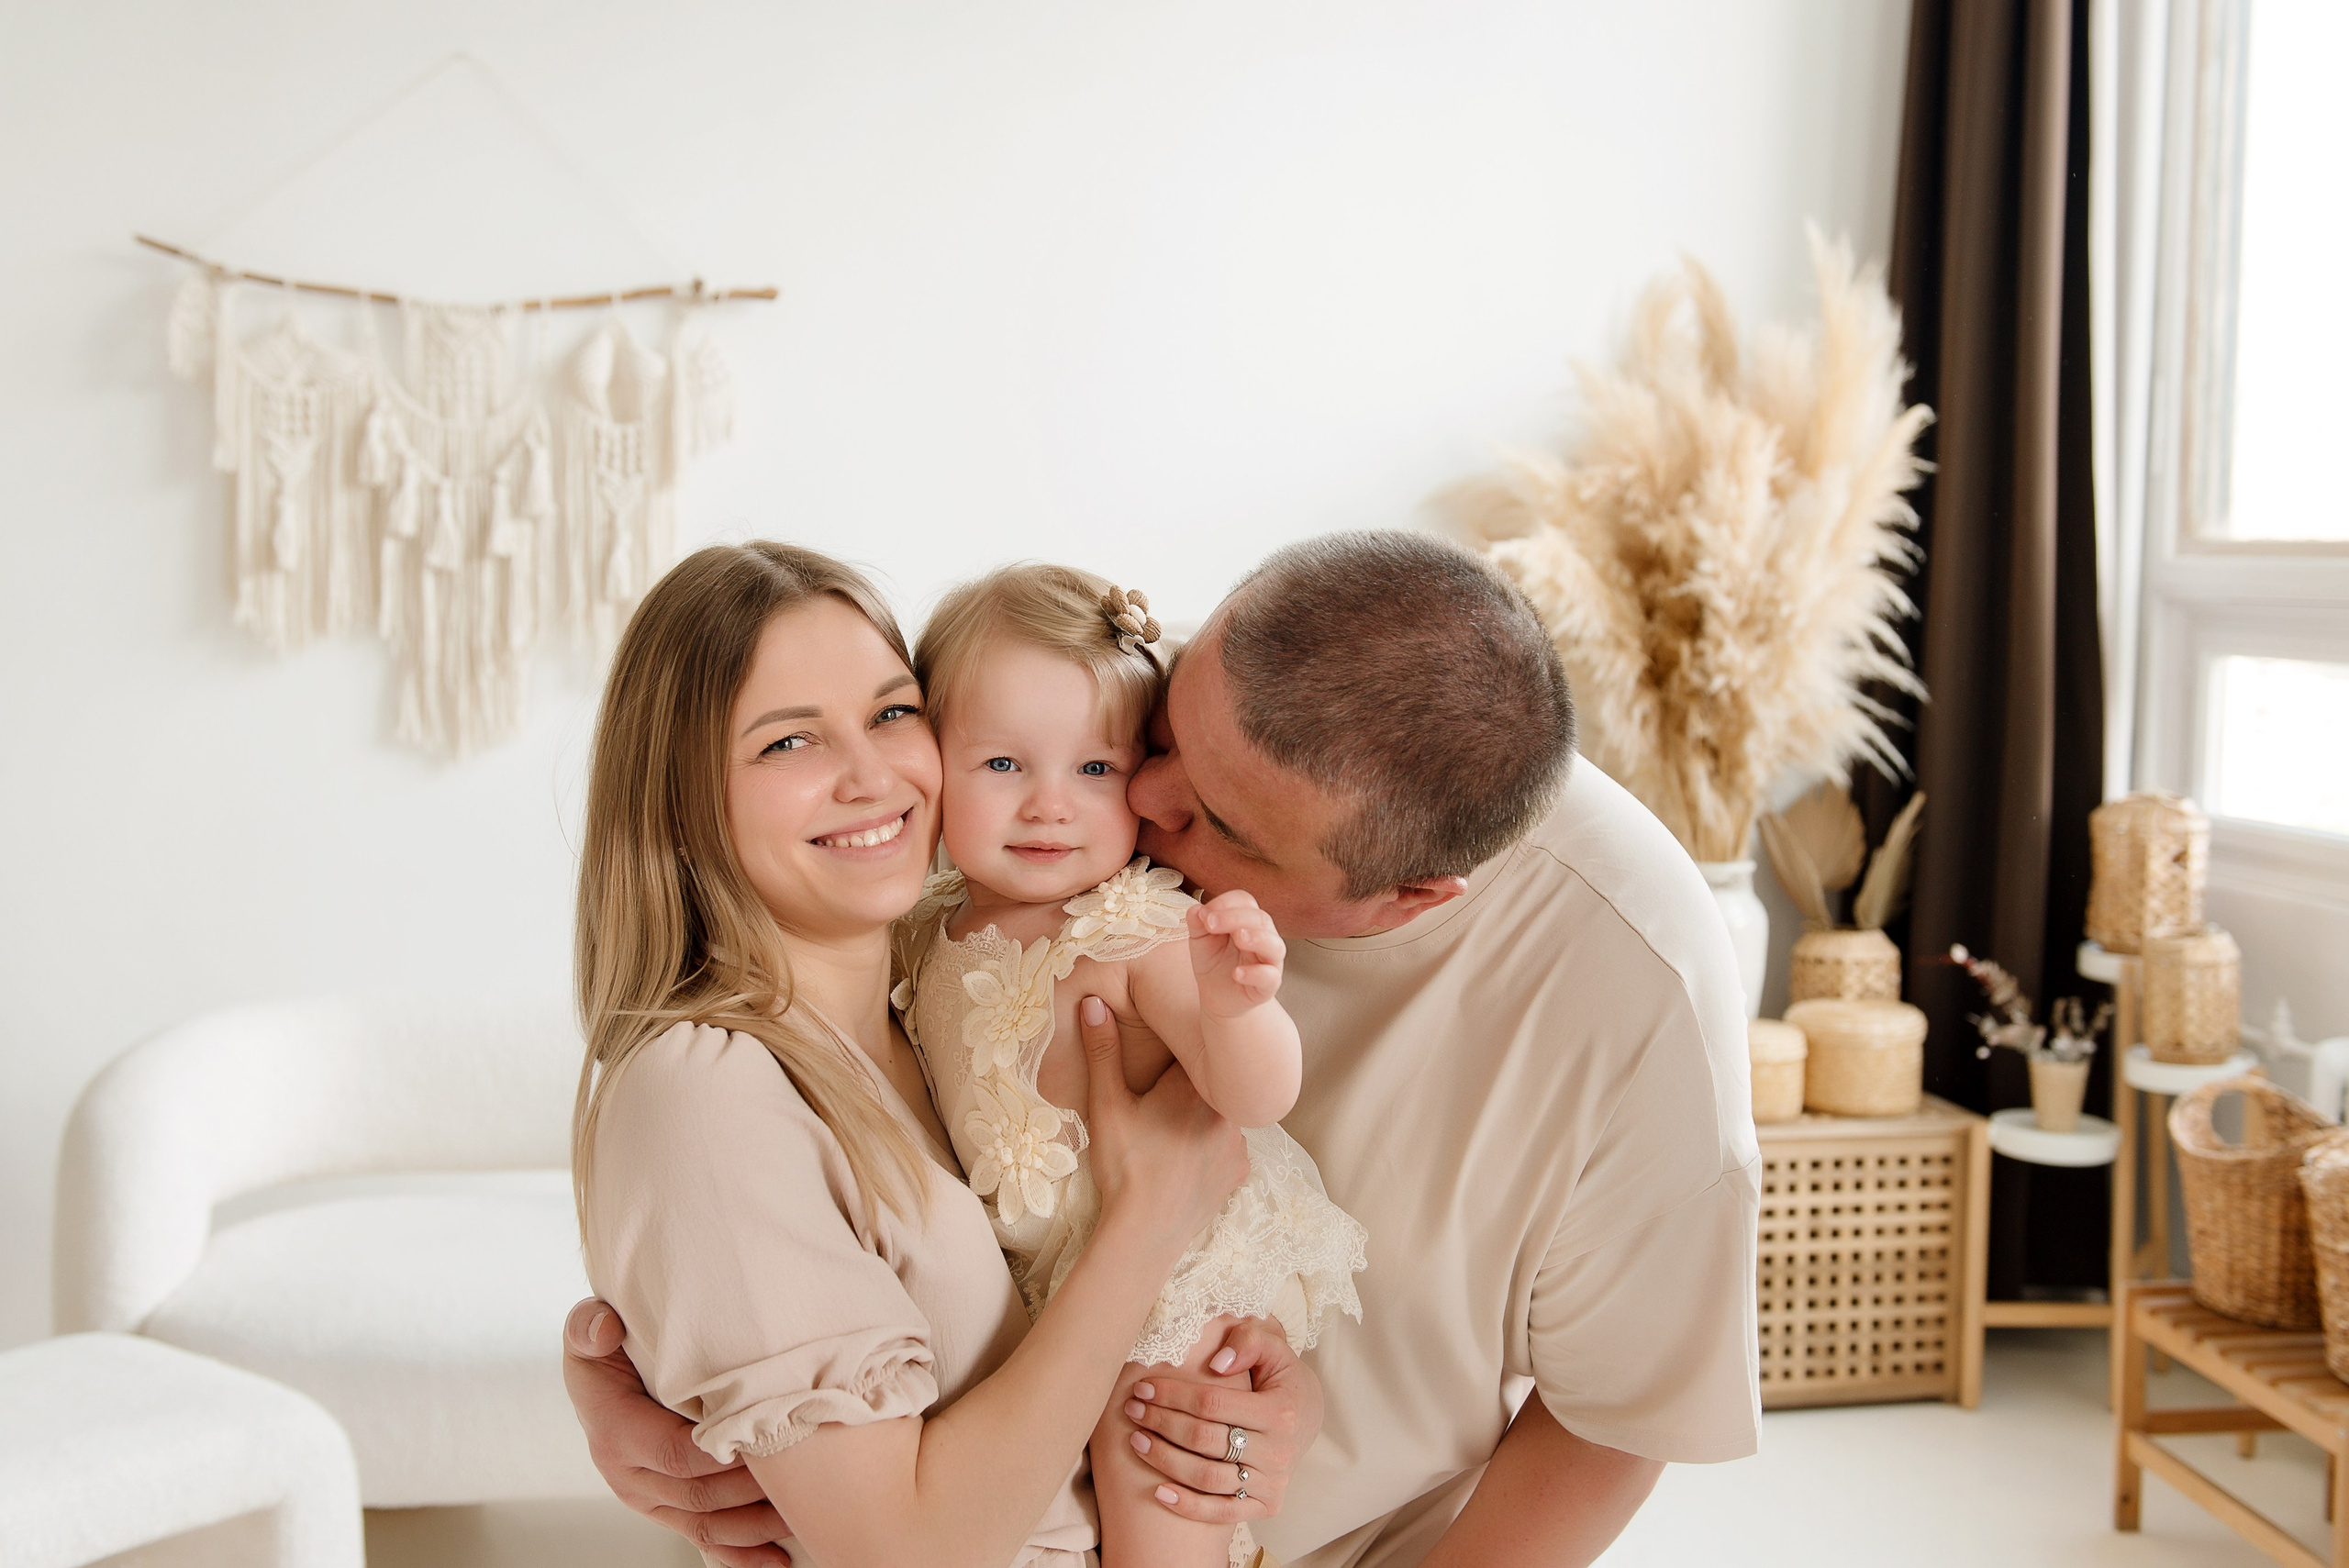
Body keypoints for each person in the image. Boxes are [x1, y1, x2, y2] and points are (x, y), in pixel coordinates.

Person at [566, 530, 1762, 1568]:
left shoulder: (1630, 981)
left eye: (1216, 821)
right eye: (1162, 731)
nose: (1132, 800)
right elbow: (758, 1137)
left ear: (1403, 900)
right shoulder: (1086, 746)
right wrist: (663, 1381)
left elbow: (1624, 1411)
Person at [570, 541, 1321, 1568]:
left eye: (890, 712)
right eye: (790, 742)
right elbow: (900, 1551)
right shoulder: (704, 1087)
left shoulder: (918, 1003)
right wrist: (1148, 1226)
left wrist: (1237, 1383)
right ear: (682, 793)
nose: (872, 774)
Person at [901, 562, 1369, 1568]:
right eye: (1001, 765)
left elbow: (1256, 1094)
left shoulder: (1132, 924)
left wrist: (1238, 1002)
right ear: (931, 755)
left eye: (1094, 770)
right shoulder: (926, 922)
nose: (1048, 806)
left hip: (1183, 1270)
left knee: (1158, 1462)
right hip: (1062, 1274)